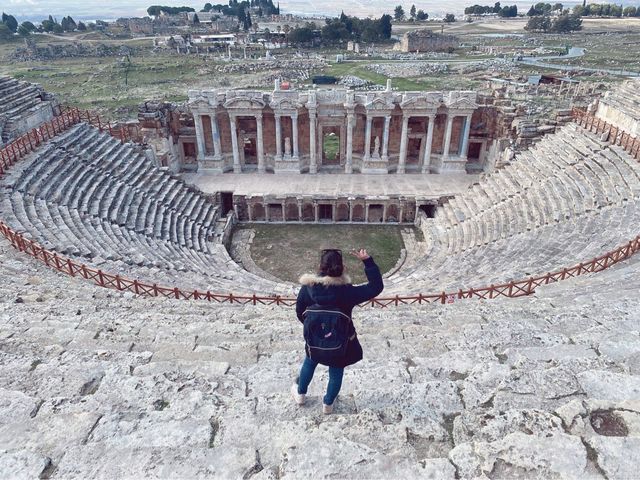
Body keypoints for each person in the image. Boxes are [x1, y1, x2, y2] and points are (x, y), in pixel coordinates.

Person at [292, 248, 384, 414]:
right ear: (342, 268)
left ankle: (300, 394)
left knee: (309, 362)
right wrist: (367, 261)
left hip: (315, 340)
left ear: (320, 267)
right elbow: (376, 287)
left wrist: (315, 329)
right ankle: (328, 404)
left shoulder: (308, 288)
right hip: (340, 342)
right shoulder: (348, 292)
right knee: (336, 372)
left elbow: (300, 312)